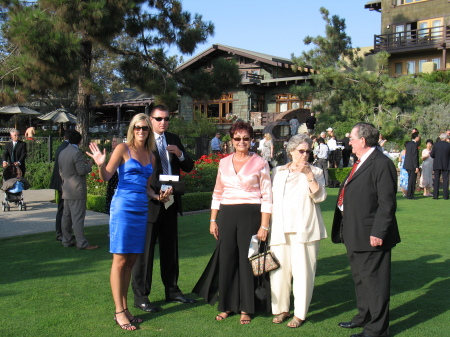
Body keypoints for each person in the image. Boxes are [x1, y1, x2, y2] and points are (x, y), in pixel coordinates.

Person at [87, 113, 167, 331]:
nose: (141, 131)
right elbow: (105, 176)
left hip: (142, 209)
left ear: (149, 131)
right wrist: (100, 165)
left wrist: (159, 197)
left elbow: (147, 187)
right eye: (138, 127)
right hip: (123, 208)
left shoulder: (150, 155)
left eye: (145, 128)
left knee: (131, 262)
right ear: (132, 129)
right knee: (120, 261)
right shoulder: (122, 148)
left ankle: (125, 309)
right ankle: (118, 311)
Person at [193, 121, 272, 325]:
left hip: (251, 214)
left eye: (245, 138)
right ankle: (226, 305)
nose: (241, 142)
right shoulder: (223, 162)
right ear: (231, 140)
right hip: (227, 214)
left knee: (247, 261)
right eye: (237, 138)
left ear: (251, 140)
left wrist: (264, 225)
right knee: (226, 259)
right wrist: (213, 220)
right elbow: (217, 193)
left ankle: (247, 307)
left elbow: (267, 196)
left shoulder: (261, 163)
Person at [331, 122, 400, 337]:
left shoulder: (381, 163)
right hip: (354, 232)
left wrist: (379, 233)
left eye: (351, 138)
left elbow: (387, 203)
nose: (348, 142)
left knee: (375, 283)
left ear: (362, 140)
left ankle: (377, 329)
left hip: (371, 235)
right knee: (361, 279)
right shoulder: (360, 161)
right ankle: (364, 316)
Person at [132, 105, 195, 313]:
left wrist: (180, 154)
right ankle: (141, 296)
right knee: (146, 252)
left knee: (170, 249)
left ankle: (173, 289)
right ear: (150, 119)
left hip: (170, 201)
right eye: (158, 119)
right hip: (150, 203)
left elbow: (188, 166)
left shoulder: (174, 139)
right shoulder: (143, 140)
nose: (163, 122)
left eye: (167, 119)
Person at [270, 134, 327, 328]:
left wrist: (309, 175)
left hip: (305, 229)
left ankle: (300, 314)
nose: (305, 155)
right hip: (279, 228)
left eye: (308, 151)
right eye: (301, 151)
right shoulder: (278, 171)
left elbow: (320, 197)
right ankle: (281, 309)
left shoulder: (317, 171)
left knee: (303, 273)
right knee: (278, 272)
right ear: (291, 151)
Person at [58, 130, 97, 250]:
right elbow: (81, 171)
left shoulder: (62, 152)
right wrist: (90, 164)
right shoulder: (77, 153)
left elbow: (61, 171)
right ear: (80, 141)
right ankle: (82, 243)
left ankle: (67, 240)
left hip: (66, 188)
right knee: (78, 218)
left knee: (66, 217)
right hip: (77, 189)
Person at [50, 129, 72, 241]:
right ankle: (61, 232)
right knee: (63, 208)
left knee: (63, 208)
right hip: (63, 181)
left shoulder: (61, 147)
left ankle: (63, 232)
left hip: (60, 181)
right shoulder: (67, 148)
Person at [430, 133, 450, 200]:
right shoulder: (448, 145)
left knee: (436, 180)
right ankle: (445, 196)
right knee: (446, 180)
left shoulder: (435, 145)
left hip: (437, 164)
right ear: (445, 138)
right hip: (446, 164)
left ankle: (435, 195)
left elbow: (432, 155)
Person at [404, 132, 421, 200]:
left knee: (410, 179)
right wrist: (416, 166)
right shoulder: (414, 144)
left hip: (408, 164)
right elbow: (414, 156)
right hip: (412, 165)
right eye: (418, 136)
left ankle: (409, 194)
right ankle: (410, 195)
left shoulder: (408, 144)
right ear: (416, 137)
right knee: (412, 180)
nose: (419, 138)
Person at [105, 136, 120, 214]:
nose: (113, 143)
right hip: (112, 176)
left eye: (115, 141)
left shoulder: (119, 153)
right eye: (112, 141)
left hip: (117, 176)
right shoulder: (111, 153)